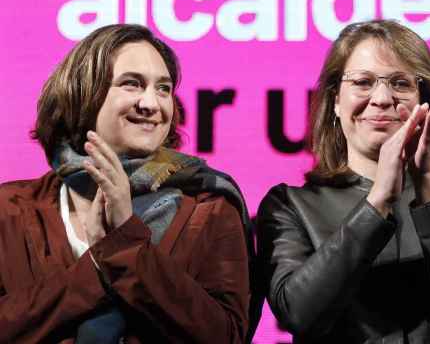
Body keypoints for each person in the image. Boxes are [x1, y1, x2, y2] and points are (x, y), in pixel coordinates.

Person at [255, 19, 430, 343]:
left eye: (401, 83)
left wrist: (428, 181)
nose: (383, 98)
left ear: (426, 101)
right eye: (363, 81)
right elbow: (300, 315)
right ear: (335, 102)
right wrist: (378, 202)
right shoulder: (290, 205)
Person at [0, 24, 250, 343]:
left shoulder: (210, 209)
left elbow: (225, 337)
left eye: (163, 88)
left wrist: (126, 242)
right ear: (83, 92)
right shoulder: (10, 209)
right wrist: (96, 268)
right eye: (132, 84)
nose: (151, 104)